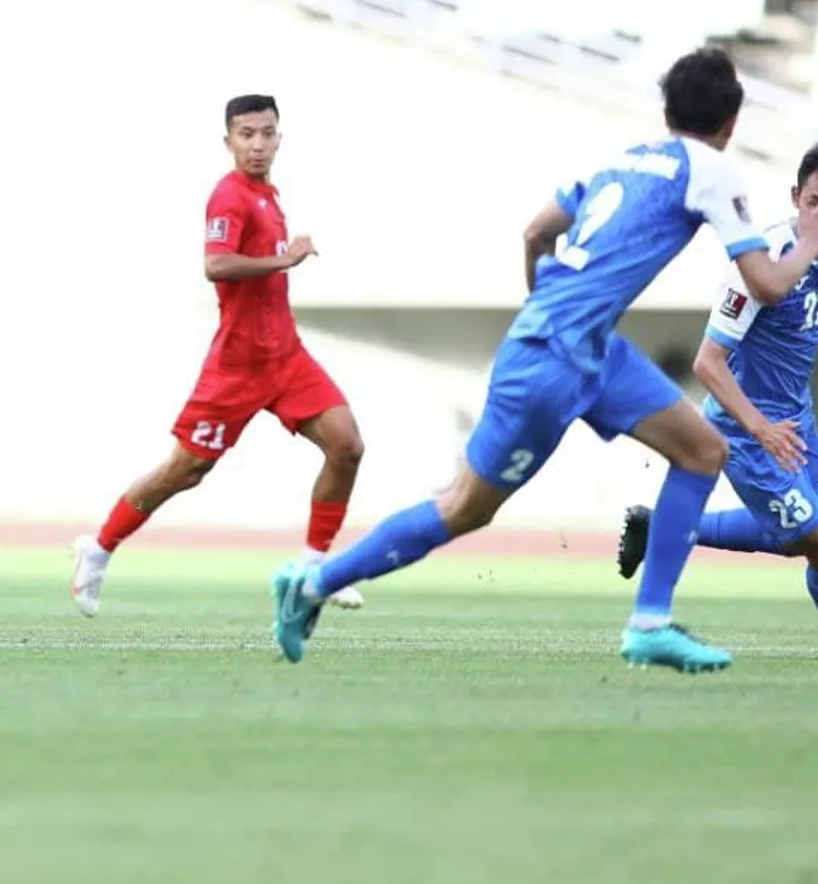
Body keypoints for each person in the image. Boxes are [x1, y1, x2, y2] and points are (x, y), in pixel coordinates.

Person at [269, 47, 818, 672]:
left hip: (587, 347)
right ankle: (312, 583)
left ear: (667, 109)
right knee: (466, 507)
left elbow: (536, 232)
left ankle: (650, 624)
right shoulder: (713, 171)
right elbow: (768, 282)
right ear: (732, 121)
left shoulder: (622, 160)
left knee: (703, 450)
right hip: (554, 357)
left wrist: (547, 305)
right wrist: (808, 241)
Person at [70, 94, 367, 617]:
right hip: (237, 367)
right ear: (228, 140)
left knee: (346, 446)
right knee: (185, 471)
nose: (257, 144)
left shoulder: (268, 195)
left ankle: (314, 569)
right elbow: (217, 264)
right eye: (246, 134)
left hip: (286, 356)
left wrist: (280, 260)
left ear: (280, 138)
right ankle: (97, 548)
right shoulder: (229, 197)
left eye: (267, 133)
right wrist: (284, 259)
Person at [617, 144, 818, 607]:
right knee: (811, 540)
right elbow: (708, 362)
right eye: (815, 202)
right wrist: (760, 428)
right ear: (795, 198)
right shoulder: (763, 263)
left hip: (796, 419)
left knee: (807, 538)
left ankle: (658, 525)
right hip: (748, 429)